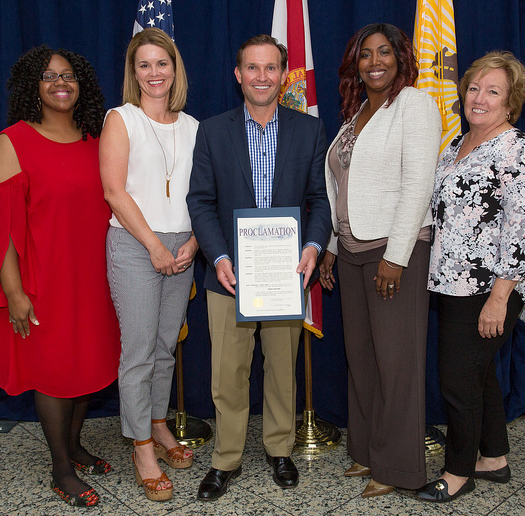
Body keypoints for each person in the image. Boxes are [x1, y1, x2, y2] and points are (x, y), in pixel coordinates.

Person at [187, 34, 331, 501]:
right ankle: (225, 460)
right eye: (253, 68)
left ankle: (279, 450)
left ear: (284, 74)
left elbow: (319, 201)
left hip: (286, 275)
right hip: (228, 276)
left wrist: (312, 246)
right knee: (228, 372)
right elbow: (201, 202)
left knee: (280, 369)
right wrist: (220, 256)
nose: (262, 77)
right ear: (238, 75)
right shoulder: (211, 131)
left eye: (271, 68)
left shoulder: (308, 130)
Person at [0, 46, 120, 507]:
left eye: (69, 75)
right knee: (55, 372)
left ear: (83, 85)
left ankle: (75, 446)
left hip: (95, 279)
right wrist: (14, 291)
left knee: (86, 366)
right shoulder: (12, 142)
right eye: (48, 76)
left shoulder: (95, 139)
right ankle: (61, 468)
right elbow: (0, 229)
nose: (61, 83)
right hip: (45, 281)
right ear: (32, 87)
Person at [416, 51, 525, 503]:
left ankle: (458, 472)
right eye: (474, 87)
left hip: (489, 288)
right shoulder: (458, 144)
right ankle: (493, 456)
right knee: (478, 374)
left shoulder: (522, 153)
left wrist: (499, 297)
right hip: (453, 285)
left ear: (510, 102)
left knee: (457, 379)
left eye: (492, 91)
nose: (479, 97)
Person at [318, 23, 441, 497]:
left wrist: (397, 256)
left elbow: (417, 183)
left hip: (394, 252)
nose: (375, 62)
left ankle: (398, 468)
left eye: (384, 52)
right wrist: (330, 247)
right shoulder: (356, 115)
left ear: (400, 57)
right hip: (350, 251)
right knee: (362, 359)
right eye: (366, 54)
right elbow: (340, 189)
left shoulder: (413, 104)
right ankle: (368, 453)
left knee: (397, 363)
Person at [99, 28, 197, 503]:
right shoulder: (121, 118)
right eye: (145, 64)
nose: (155, 73)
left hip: (183, 248)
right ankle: (141, 448)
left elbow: (204, 195)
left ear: (175, 68)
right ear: (133, 72)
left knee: (164, 347)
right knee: (138, 351)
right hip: (136, 243)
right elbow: (114, 191)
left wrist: (195, 241)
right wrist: (155, 246)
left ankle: (158, 424)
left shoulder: (194, 126)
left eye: (163, 63)